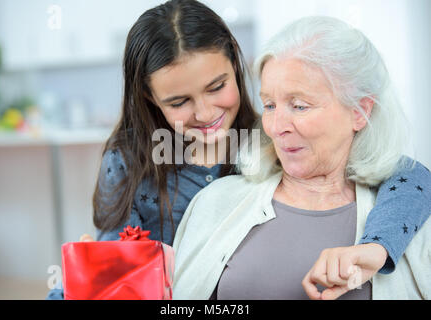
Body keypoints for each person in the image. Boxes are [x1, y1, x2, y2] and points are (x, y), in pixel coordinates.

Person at [47, 1, 429, 300]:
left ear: (235, 62)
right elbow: (110, 269)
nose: (206, 113)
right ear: (151, 98)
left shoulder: (265, 138)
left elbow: (409, 175)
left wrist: (378, 247)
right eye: (179, 101)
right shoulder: (131, 160)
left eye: (217, 87)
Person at [172, 16, 431, 300]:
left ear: (359, 112)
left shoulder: (409, 218)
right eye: (269, 104)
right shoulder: (215, 202)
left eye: (299, 106)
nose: (275, 126)